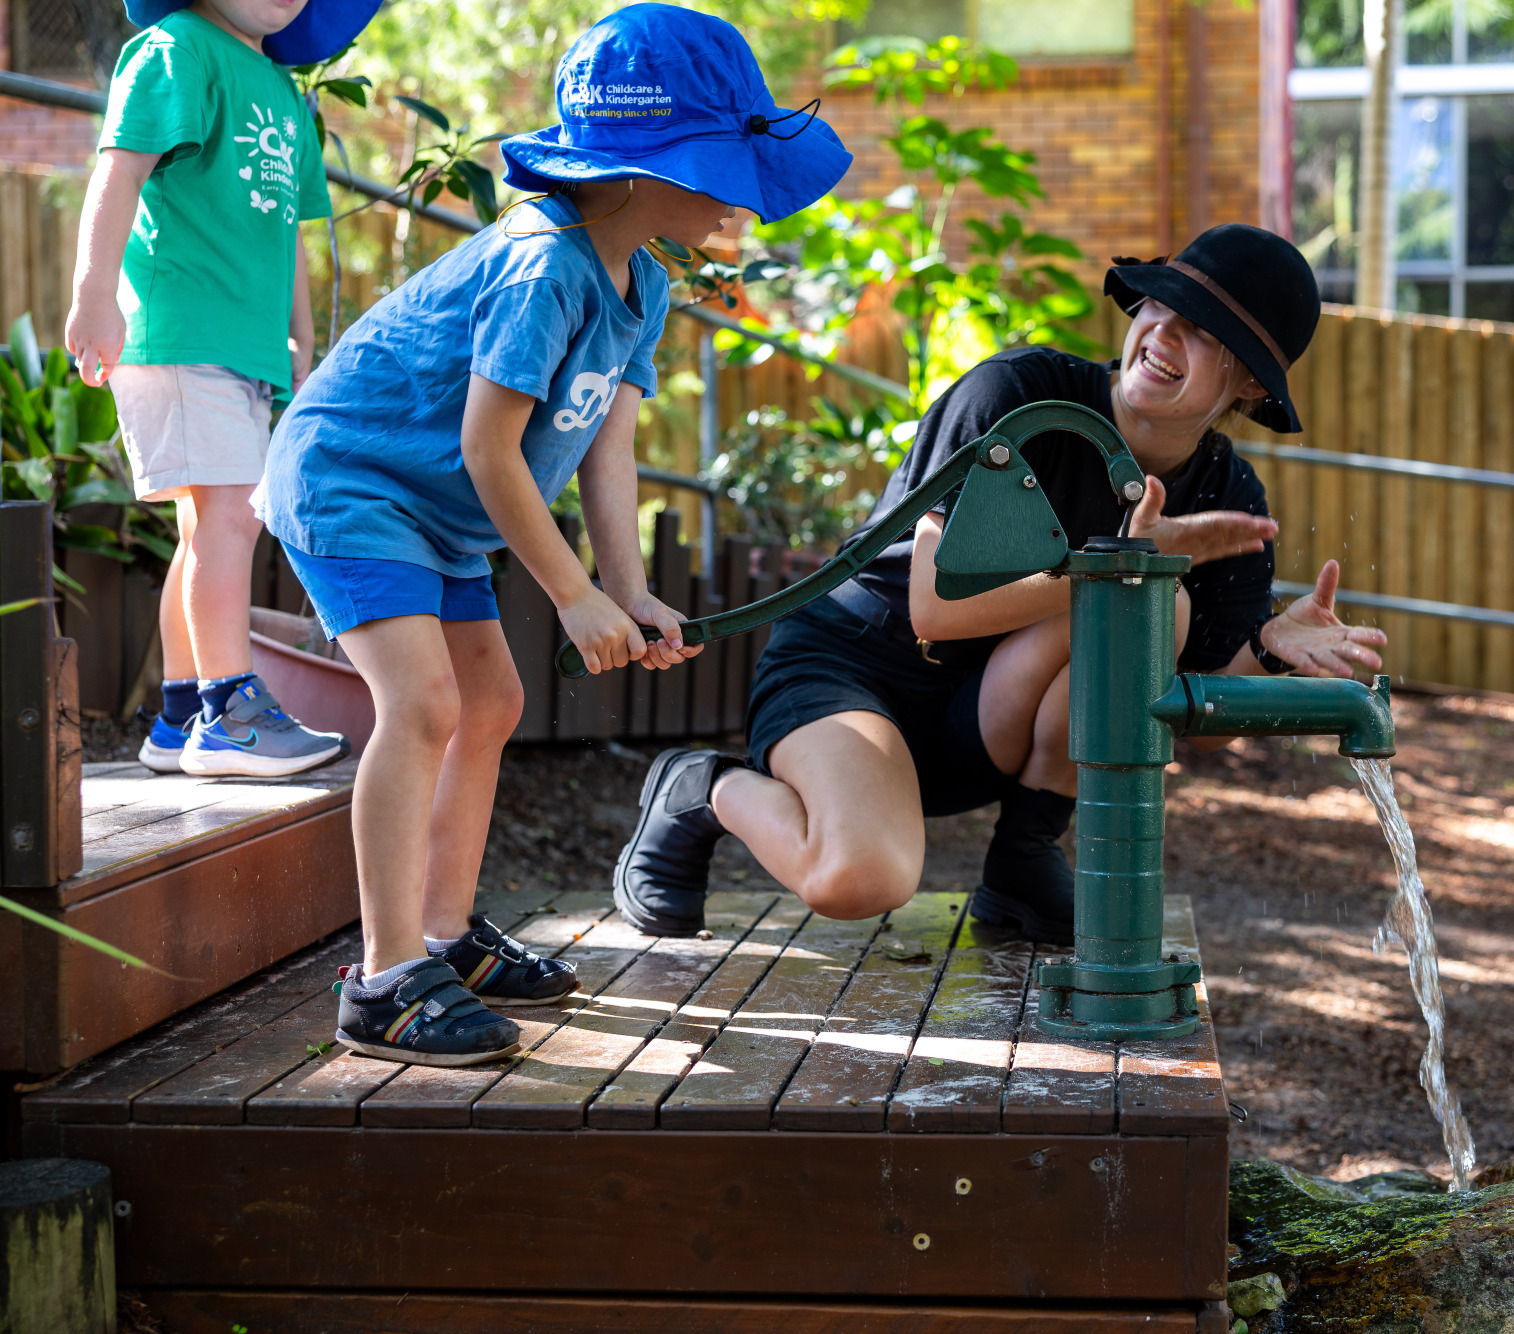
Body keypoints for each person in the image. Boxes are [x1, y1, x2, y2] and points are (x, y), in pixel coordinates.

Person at [253, 3, 851, 1065]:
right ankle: (386, 975)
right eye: (716, 164)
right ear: (634, 167)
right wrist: (572, 595)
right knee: (426, 701)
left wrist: (623, 585)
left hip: (433, 505)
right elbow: (492, 448)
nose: (735, 195)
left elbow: (604, 448)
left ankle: (444, 934)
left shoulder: (644, 281)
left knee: (492, 699)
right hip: (353, 477)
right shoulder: (542, 260)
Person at [615, 224, 1388, 943]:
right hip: (853, 672)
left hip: (983, 722)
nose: (1166, 335)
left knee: (1162, 605)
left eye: (1208, 335)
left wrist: (1272, 648)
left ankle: (1024, 857)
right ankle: (701, 786)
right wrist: (1120, 558)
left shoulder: (1227, 494)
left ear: (1250, 384)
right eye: (1165, 306)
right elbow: (935, 605)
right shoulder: (1020, 400)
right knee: (859, 880)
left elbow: (1196, 716)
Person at [66, 0, 381, 777]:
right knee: (232, 519)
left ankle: (180, 717)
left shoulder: (280, 85)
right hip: (180, 330)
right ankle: (229, 713)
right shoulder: (176, 49)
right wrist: (92, 294)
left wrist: (302, 335)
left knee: (209, 527)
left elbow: (287, 232)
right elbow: (120, 168)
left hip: (244, 348)